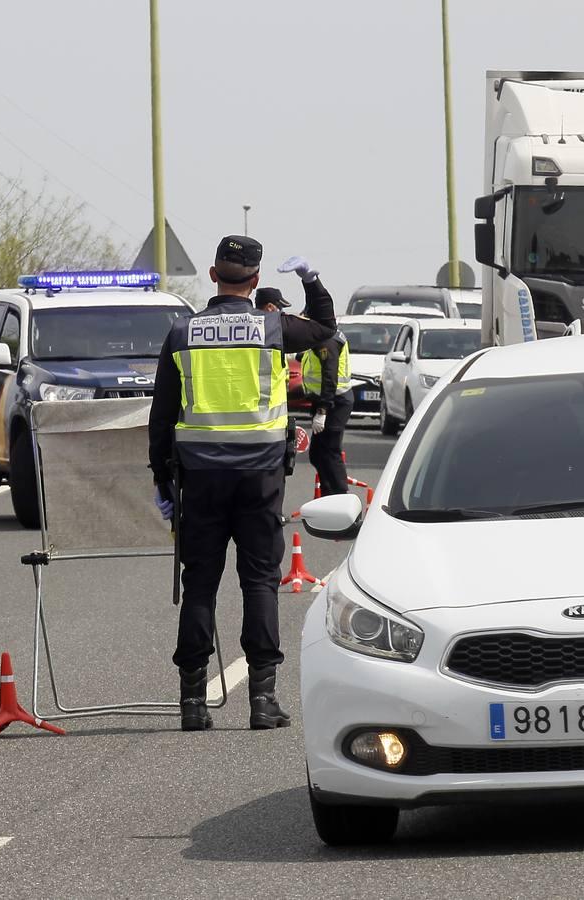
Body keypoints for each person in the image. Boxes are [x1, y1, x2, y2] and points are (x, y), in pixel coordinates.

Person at [148, 236, 337, 732]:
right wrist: (311, 280)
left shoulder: (182, 331)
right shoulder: (272, 325)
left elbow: (162, 414)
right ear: (255, 281)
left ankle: (192, 702)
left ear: (212, 275)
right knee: (259, 582)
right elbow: (325, 328)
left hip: (200, 476)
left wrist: (161, 480)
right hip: (260, 476)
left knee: (200, 584)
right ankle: (262, 700)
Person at [300, 328, 352, 495]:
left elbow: (330, 377)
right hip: (326, 400)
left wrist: (322, 411)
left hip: (334, 402)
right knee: (317, 454)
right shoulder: (323, 334)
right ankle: (328, 494)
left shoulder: (326, 341)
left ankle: (340, 497)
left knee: (330, 451)